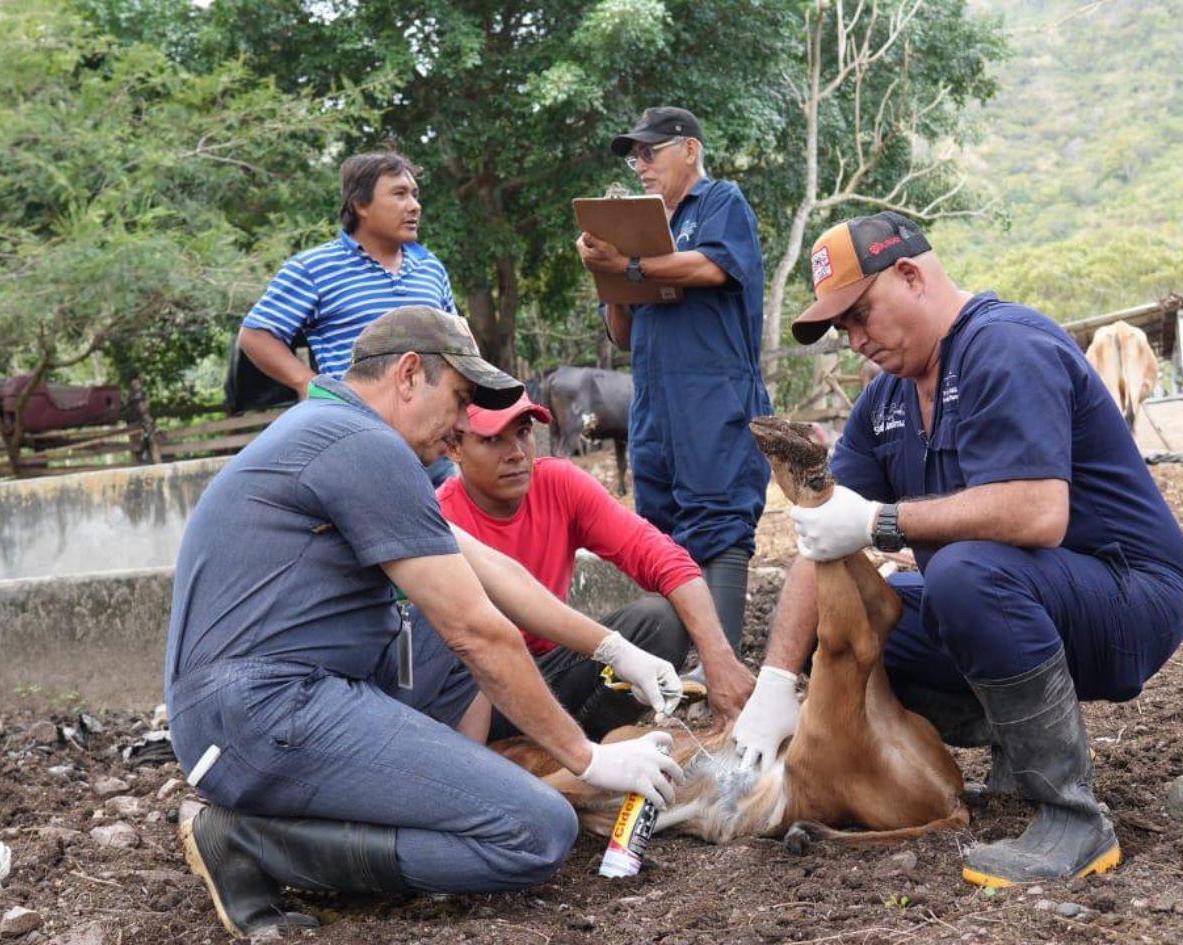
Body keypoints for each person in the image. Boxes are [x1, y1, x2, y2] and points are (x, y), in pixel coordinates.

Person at [166, 306, 682, 938]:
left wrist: (614, 647)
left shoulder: (341, 432)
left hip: (266, 704)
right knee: (537, 831)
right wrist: (587, 758)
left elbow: (491, 573)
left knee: (444, 633)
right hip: (263, 714)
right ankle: (247, 843)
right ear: (410, 375)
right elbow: (478, 631)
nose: (463, 423)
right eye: (460, 398)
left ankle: (437, 805)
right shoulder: (361, 445)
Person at [730, 212, 1183, 887]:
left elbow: (1038, 511)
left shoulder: (1006, 347)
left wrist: (880, 521)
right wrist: (775, 680)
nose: (855, 339)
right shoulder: (886, 400)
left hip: (1129, 596)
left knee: (963, 573)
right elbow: (823, 534)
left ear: (910, 275)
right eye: (842, 328)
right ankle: (1015, 755)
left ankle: (1073, 816)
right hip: (1029, 595)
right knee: (853, 619)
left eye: (861, 314)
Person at [438, 394, 757, 736]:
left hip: (552, 669)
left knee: (660, 622)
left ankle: (594, 743)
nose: (516, 452)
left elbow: (662, 557)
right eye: (492, 439)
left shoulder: (558, 484)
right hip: (484, 694)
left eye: (523, 432)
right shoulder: (440, 518)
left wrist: (718, 659)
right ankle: (526, 755)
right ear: (454, 448)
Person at [575, 106, 772, 659]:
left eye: (650, 152)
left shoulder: (719, 202)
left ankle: (721, 668)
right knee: (659, 530)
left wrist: (631, 263)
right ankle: (671, 668)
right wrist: (609, 274)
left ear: (689, 150)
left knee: (720, 519)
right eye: (634, 157)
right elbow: (622, 335)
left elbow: (713, 267)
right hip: (653, 403)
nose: (640, 165)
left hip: (713, 396)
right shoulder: (639, 231)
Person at [238, 150, 459, 484]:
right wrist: (308, 384)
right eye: (399, 194)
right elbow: (255, 334)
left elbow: (457, 348)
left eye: (415, 195)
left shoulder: (430, 269)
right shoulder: (314, 268)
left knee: (440, 519)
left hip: (432, 451)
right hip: (357, 446)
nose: (414, 206)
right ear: (360, 205)